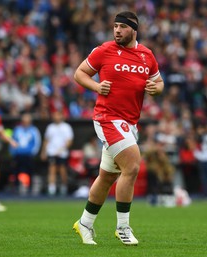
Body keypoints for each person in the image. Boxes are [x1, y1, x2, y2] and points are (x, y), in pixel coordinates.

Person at [72, 11, 164, 245]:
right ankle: (123, 227)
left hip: (130, 123)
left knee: (107, 177)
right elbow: (79, 73)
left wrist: (157, 88)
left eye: (122, 26)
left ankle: (84, 223)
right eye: (115, 26)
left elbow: (159, 81)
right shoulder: (104, 50)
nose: (117, 30)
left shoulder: (146, 55)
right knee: (132, 165)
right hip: (107, 118)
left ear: (134, 29)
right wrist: (96, 86)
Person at [40, 111, 74, 196]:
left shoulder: (66, 127)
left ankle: (64, 187)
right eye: (55, 115)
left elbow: (69, 141)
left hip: (62, 153)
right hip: (51, 152)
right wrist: (43, 152)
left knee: (62, 170)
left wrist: (62, 149)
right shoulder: (50, 127)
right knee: (52, 169)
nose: (56, 117)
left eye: (58, 115)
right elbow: (46, 140)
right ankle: (52, 188)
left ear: (61, 116)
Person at [9, 113, 41, 195]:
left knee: (30, 171)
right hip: (18, 154)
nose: (26, 122)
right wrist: (13, 152)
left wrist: (33, 152)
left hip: (28, 155)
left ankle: (30, 188)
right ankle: (15, 187)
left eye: (27, 121)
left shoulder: (34, 130)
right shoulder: (17, 130)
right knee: (16, 171)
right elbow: (12, 141)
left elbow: (37, 142)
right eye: (24, 121)